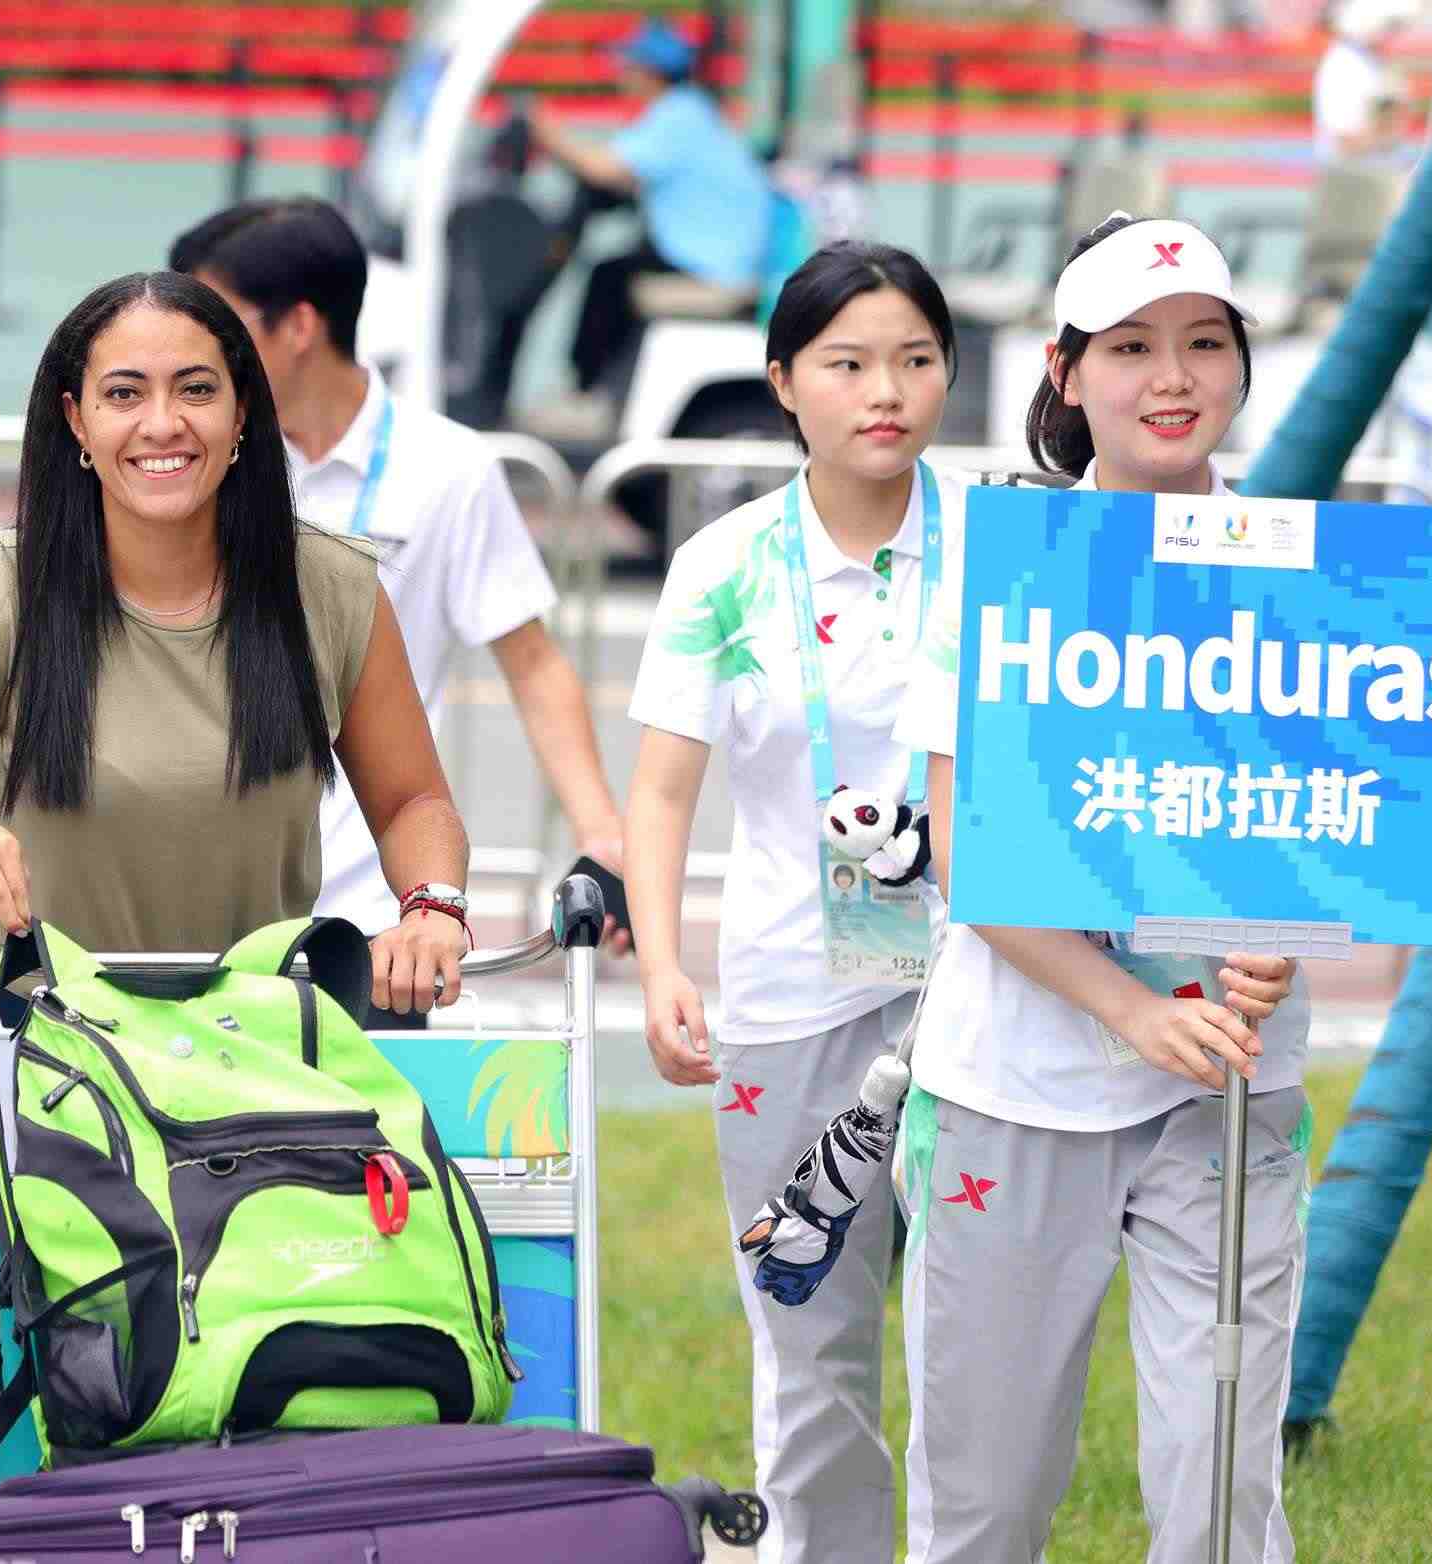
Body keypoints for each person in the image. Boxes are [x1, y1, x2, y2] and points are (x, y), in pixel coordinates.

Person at [892, 212, 1309, 1562]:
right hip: (1018, 1086)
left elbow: (1328, 821)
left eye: (1202, 343)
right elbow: (971, 850)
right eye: (1130, 348)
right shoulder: (1005, 570)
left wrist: (1284, 939)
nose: (1172, 377)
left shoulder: (1302, 574)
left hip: (1230, 1088)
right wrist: (1127, 1011)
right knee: (986, 1504)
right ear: (1068, 374)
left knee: (1221, 1493)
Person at [0, 269, 473, 1023]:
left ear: (241, 410)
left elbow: (414, 800)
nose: (161, 423)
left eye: (195, 390)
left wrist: (432, 906)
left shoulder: (333, 583)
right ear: (75, 419)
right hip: (51, 1062)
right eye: (123, 394)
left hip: (263, 1055)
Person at [623, 241, 968, 1564]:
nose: (886, 390)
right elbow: (659, 796)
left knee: (970, 1347)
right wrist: (664, 968)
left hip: (992, 996)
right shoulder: (721, 569)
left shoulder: (1002, 550)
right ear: (781, 382)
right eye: (847, 363)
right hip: (785, 1004)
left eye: (916, 359)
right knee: (809, 1338)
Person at [166, 197, 632, 1016]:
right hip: (204, 902)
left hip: (380, 918)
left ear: (297, 326)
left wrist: (604, 841)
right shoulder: (196, 455)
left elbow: (532, 666)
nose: (188, 347)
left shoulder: (446, 469)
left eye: (217, 320)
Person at [528, 19, 773, 423]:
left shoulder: (678, 117)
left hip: (710, 269)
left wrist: (546, 131)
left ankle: (588, 395)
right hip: (712, 260)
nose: (622, 74)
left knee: (608, 278)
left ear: (650, 73)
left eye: (629, 65)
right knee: (617, 269)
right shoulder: (687, 112)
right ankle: (603, 391)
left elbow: (603, 167)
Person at [1313, 0, 1413, 167]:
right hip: (1352, 177)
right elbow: (1345, 142)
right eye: (1389, 26)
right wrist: (1387, 130)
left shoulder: (1372, 63)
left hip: (1371, 171)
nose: (1392, 35)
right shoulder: (1344, 65)